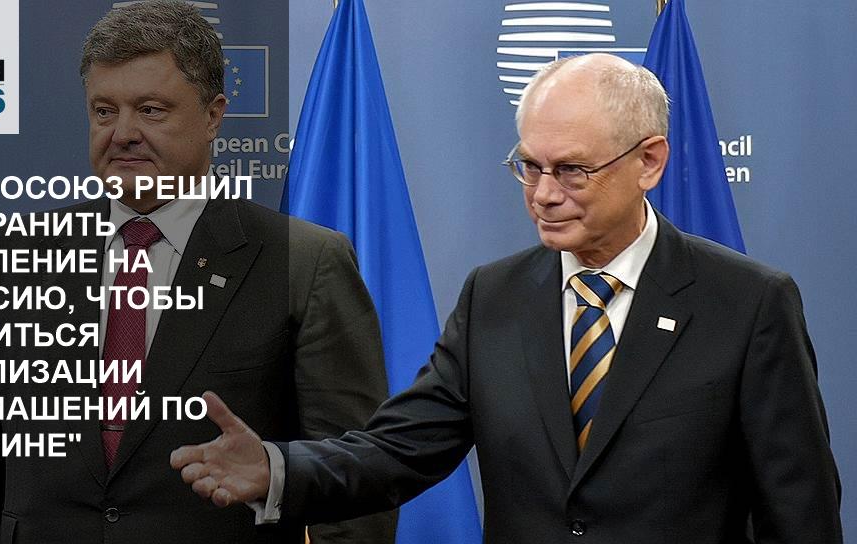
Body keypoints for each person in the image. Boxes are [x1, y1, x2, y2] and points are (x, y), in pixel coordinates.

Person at [169, 53, 843, 543]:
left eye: (572, 170)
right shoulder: (495, 297)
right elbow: (399, 450)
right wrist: (279, 468)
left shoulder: (748, 304)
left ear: (650, 161)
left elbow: (799, 513)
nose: (543, 194)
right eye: (529, 166)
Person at [0, 1, 396, 542]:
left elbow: (353, 485)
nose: (122, 132)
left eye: (150, 110)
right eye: (104, 111)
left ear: (213, 115)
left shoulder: (303, 262)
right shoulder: (18, 252)